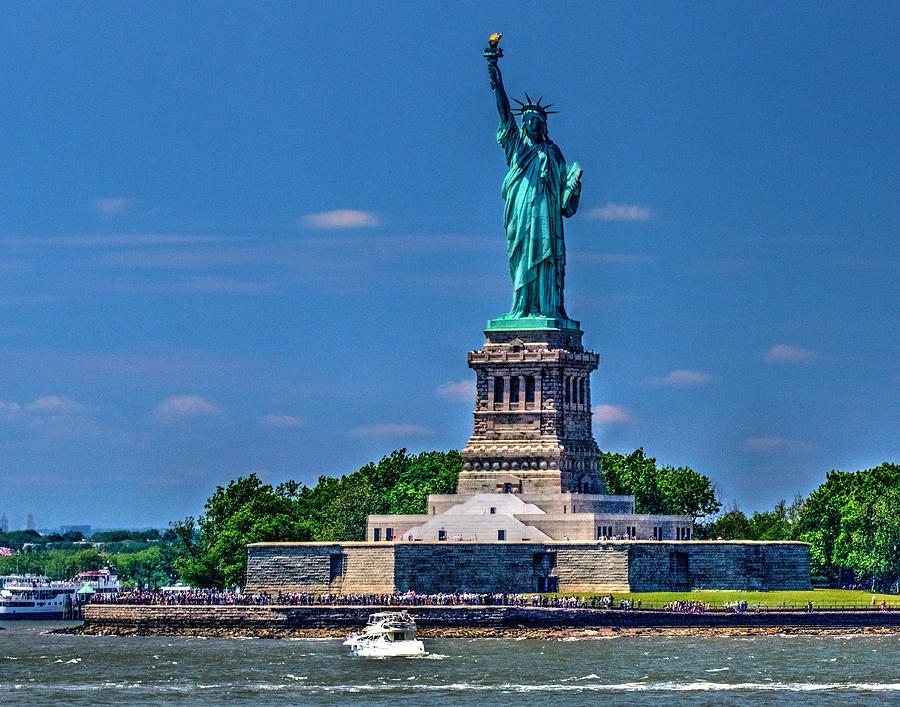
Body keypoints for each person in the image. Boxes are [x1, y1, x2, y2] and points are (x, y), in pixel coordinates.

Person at [486, 55, 582, 321]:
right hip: (521, 211)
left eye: (537, 121)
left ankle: (547, 308)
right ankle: (522, 307)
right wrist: (497, 82)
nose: (532, 124)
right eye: (528, 120)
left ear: (543, 124)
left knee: (545, 259)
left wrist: (573, 186)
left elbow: (565, 203)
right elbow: (505, 113)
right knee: (520, 257)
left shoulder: (553, 152)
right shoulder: (518, 146)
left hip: (547, 217)